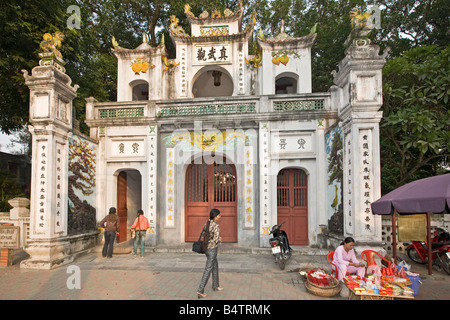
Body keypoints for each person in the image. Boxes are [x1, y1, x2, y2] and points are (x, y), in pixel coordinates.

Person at [197, 208, 223, 298]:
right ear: (215, 216)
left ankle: (215, 285)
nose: (220, 216)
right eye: (219, 215)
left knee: (215, 265)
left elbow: (204, 233)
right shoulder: (215, 225)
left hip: (206, 249)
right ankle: (200, 290)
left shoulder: (207, 223)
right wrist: (219, 239)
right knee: (208, 269)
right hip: (212, 249)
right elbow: (215, 240)